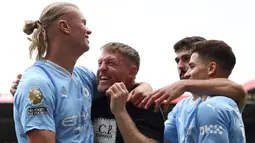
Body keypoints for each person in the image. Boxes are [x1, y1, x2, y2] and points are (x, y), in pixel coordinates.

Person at [12, 2, 151, 143]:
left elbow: (118, 85)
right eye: (83, 23)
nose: (88, 30)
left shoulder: (83, 76)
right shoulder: (37, 83)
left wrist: (145, 86)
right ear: (64, 27)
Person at [140, 37, 247, 143]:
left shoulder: (220, 101)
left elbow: (239, 90)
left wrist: (184, 84)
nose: (180, 66)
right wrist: (142, 86)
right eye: (177, 61)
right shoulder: (180, 107)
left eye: (187, 60)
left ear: (210, 66)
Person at [92, 42, 164, 143]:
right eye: (100, 63)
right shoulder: (93, 99)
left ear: (132, 72)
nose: (102, 68)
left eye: (110, 63)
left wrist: (120, 112)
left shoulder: (146, 104)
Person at [185, 40, 246, 143]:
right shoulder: (228, 104)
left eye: (192, 66)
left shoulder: (211, 107)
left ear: (211, 68)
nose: (187, 74)